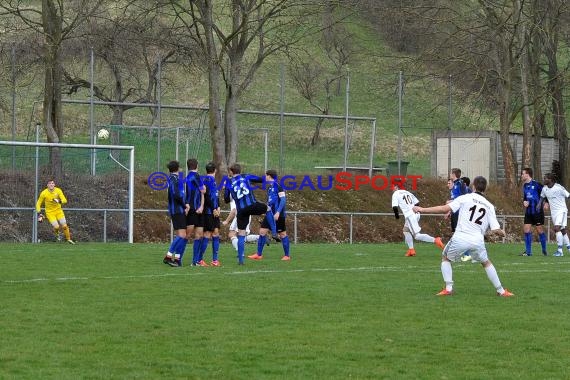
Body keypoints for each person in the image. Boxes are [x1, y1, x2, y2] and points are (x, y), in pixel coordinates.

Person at [413, 176, 514, 297]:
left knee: (445, 258)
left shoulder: (466, 197)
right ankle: (501, 291)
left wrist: (422, 209)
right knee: (486, 263)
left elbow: (444, 208)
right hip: (477, 241)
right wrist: (502, 233)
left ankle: (449, 288)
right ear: (485, 189)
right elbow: (496, 230)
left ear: (473, 186)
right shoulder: (489, 206)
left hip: (461, 237)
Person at [223, 163, 277, 265]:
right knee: (268, 209)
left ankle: (241, 261)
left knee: (241, 234)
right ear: (240, 170)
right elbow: (260, 179)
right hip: (252, 205)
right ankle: (274, 232)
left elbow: (226, 199)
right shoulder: (245, 176)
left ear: (231, 171)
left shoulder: (229, 182)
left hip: (241, 211)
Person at [248, 169, 291, 261]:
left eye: (266, 175)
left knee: (282, 234)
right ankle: (258, 254)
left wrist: (278, 212)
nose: (265, 177)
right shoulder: (269, 188)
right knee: (262, 232)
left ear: (269, 176)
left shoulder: (278, 186)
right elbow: (270, 201)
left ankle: (287, 256)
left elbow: (283, 200)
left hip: (278, 215)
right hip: (269, 214)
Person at [391, 184, 445, 256]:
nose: (392, 189)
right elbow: (417, 203)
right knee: (406, 230)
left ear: (396, 187)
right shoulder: (407, 192)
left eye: (393, 187)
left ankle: (435, 240)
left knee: (417, 236)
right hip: (416, 214)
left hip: (410, 216)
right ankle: (411, 250)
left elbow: (395, 207)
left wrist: (397, 216)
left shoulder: (396, 193)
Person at [163, 160, 190, 267]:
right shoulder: (174, 180)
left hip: (176, 210)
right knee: (182, 235)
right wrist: (185, 206)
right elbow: (176, 195)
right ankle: (168, 256)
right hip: (178, 210)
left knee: (181, 235)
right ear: (178, 168)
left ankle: (177, 259)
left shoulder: (172, 179)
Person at [36, 179, 75, 244]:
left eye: (52, 183)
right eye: (49, 183)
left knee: (64, 226)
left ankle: (69, 239)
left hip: (59, 211)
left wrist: (59, 201)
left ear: (54, 185)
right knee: (56, 227)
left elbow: (65, 200)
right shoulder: (44, 193)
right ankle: (58, 235)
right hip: (50, 212)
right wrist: (39, 213)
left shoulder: (58, 190)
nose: (51, 185)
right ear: (47, 185)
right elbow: (38, 203)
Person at [540, 172, 570, 257]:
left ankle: (560, 251)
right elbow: (542, 197)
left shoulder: (559, 188)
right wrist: (539, 206)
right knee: (563, 230)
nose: (544, 179)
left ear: (550, 180)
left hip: (561, 210)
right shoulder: (544, 189)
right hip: (554, 212)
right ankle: (569, 248)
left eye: (545, 178)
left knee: (557, 228)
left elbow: (568, 195)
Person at [199, 162, 222, 266]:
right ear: (215, 170)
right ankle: (200, 259)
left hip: (214, 211)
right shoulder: (208, 180)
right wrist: (214, 208)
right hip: (209, 212)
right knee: (207, 234)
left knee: (216, 233)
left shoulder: (211, 180)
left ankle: (215, 260)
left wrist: (218, 207)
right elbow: (207, 197)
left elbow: (215, 196)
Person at [520, 167, 547, 256]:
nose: (522, 175)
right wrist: (524, 202)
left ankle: (544, 250)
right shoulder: (524, 185)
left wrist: (546, 202)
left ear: (528, 174)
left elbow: (546, 193)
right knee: (526, 230)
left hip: (537, 212)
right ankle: (528, 252)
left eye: (523, 173)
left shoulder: (536, 184)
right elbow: (525, 197)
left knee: (539, 231)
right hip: (528, 212)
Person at [185, 158, 207, 266]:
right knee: (190, 235)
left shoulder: (187, 177)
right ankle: (178, 257)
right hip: (194, 209)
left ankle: (195, 261)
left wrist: (202, 206)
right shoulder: (196, 176)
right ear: (197, 165)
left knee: (198, 235)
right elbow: (203, 190)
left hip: (197, 208)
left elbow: (201, 192)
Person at [448, 168, 471, 261]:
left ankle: (467, 253)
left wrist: (451, 201)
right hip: (455, 212)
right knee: (455, 233)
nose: (449, 175)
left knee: (461, 233)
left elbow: (463, 198)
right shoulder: (454, 185)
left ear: (453, 174)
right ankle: (460, 253)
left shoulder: (460, 184)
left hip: (460, 213)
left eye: (450, 173)